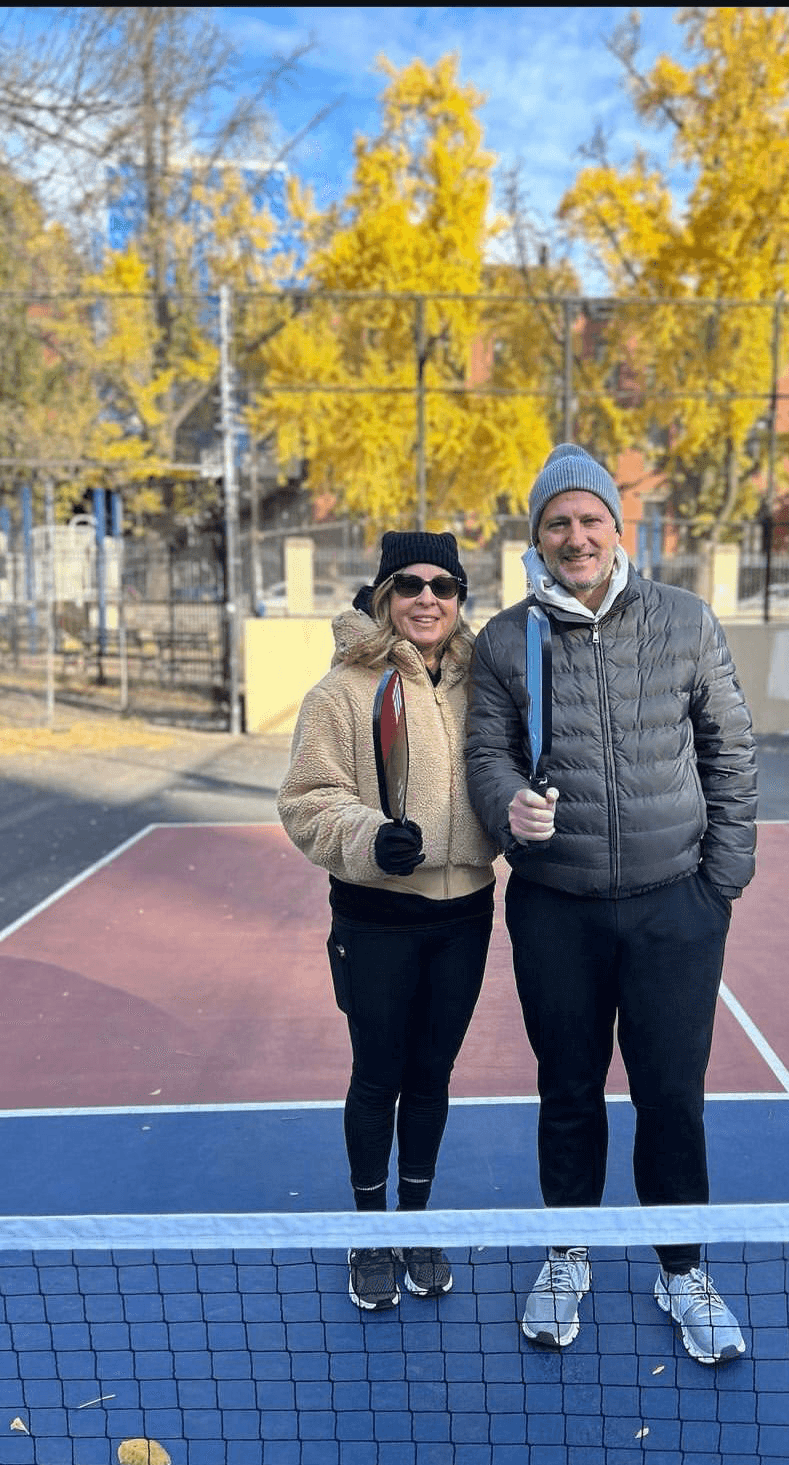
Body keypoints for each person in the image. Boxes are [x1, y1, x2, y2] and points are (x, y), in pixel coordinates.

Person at [465, 444, 757, 1365]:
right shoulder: (504, 641)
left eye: (591, 519)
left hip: (678, 908)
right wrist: (508, 811)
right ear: (538, 539)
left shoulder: (685, 620)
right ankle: (566, 1252)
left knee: (672, 1098)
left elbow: (730, 750)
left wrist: (722, 884)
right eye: (558, 522)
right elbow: (485, 756)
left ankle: (682, 1269)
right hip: (557, 910)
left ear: (617, 530)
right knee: (568, 1090)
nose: (576, 534)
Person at [278, 531, 497, 1311]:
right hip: (374, 920)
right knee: (378, 1075)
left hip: (467, 915)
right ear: (383, 596)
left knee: (431, 1076)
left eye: (444, 583)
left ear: (461, 598)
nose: (427, 597)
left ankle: (415, 1221)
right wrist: (370, 837)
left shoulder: (485, 685)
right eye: (409, 584)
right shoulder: (340, 692)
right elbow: (306, 801)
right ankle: (369, 1231)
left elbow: (508, 773)